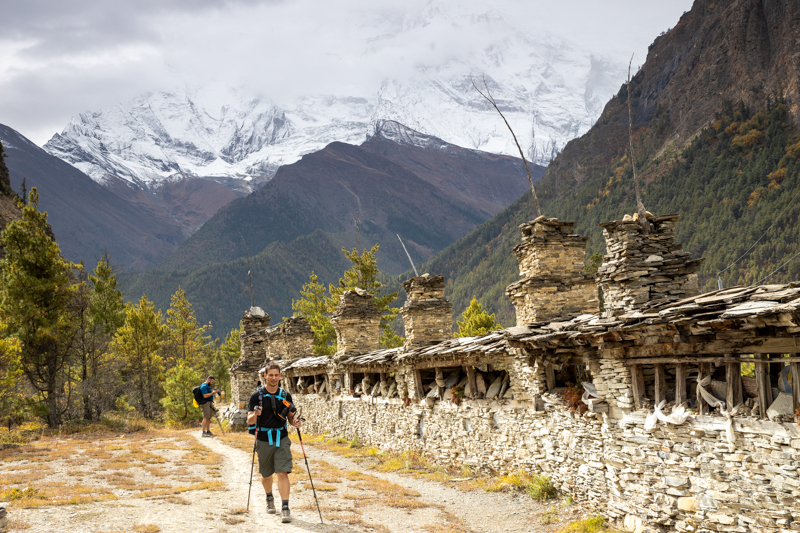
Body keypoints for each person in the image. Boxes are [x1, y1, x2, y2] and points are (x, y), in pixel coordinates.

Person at [247, 363, 301, 523]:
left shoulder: (285, 396)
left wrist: (295, 422)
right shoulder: (256, 396)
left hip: (282, 438)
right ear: (265, 376)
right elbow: (249, 420)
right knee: (266, 474)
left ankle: (285, 507)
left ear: (280, 376)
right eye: (270, 375)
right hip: (263, 439)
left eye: (276, 375)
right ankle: (269, 497)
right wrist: (255, 414)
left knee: (283, 472)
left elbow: (291, 417)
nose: (273, 378)